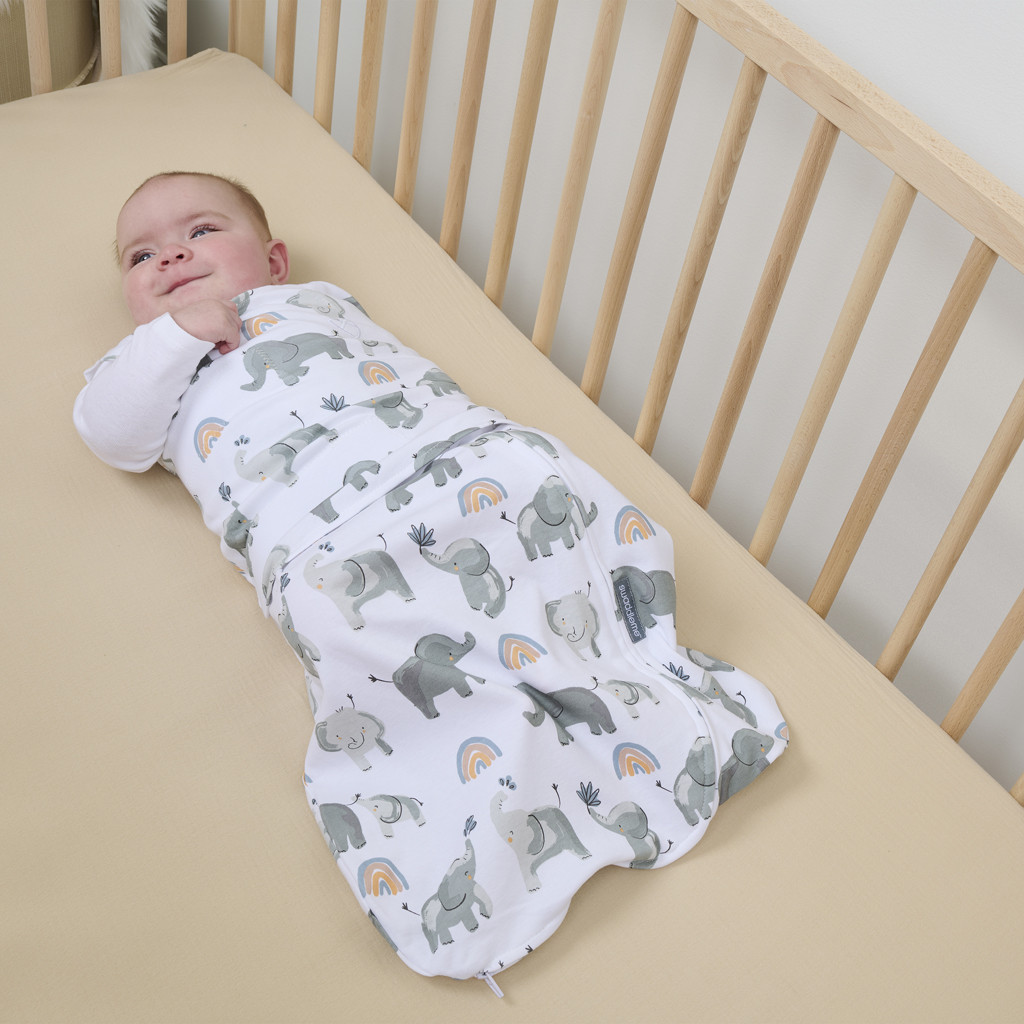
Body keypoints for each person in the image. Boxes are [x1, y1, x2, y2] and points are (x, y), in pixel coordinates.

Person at [74, 172, 788, 986]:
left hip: (455, 462)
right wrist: (175, 337)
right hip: (324, 542)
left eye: (201, 232)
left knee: (541, 496)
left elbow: (404, 377)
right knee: (361, 631)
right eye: (141, 256)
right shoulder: (138, 365)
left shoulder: (314, 302)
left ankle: (631, 679)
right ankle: (493, 787)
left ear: (273, 261)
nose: (170, 256)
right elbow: (113, 435)